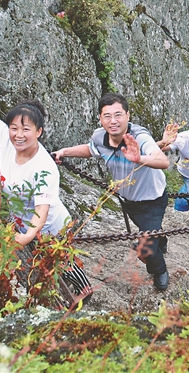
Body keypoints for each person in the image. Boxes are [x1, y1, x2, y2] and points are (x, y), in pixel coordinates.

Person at [0, 86, 91, 298]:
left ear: (39, 132)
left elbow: (42, 209)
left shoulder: (44, 168)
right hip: (22, 221)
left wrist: (29, 235)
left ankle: (85, 290)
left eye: (26, 129)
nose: (18, 135)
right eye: (14, 128)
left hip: (50, 227)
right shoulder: (8, 142)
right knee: (43, 262)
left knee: (64, 261)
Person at [53, 93, 172, 291]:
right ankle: (159, 237)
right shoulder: (100, 137)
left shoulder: (140, 137)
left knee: (146, 251)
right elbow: (90, 150)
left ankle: (159, 270)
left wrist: (137, 158)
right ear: (100, 118)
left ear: (127, 115)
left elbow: (163, 161)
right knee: (149, 232)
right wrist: (64, 152)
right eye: (107, 116)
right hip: (128, 200)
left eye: (118, 115)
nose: (113, 121)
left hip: (153, 200)